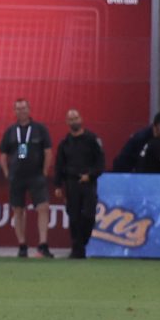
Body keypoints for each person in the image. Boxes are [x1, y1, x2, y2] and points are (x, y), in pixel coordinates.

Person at [0, 98, 54, 257]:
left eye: (24, 108)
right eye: (18, 109)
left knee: (43, 207)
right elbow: (3, 154)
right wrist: (7, 173)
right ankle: (22, 245)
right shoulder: (10, 131)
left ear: (29, 110)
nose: (21, 111)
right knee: (18, 210)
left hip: (36, 175)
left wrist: (45, 171)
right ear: (14, 111)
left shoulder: (40, 129)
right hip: (16, 176)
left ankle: (43, 244)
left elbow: (48, 151)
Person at [54, 110, 105, 258]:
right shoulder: (64, 143)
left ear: (81, 119)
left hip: (88, 182)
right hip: (71, 183)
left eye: (75, 118)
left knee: (89, 215)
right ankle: (77, 249)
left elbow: (100, 162)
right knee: (74, 217)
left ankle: (81, 243)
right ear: (66, 122)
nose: (74, 121)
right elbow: (59, 164)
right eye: (70, 119)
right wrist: (58, 185)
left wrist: (90, 175)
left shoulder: (92, 139)